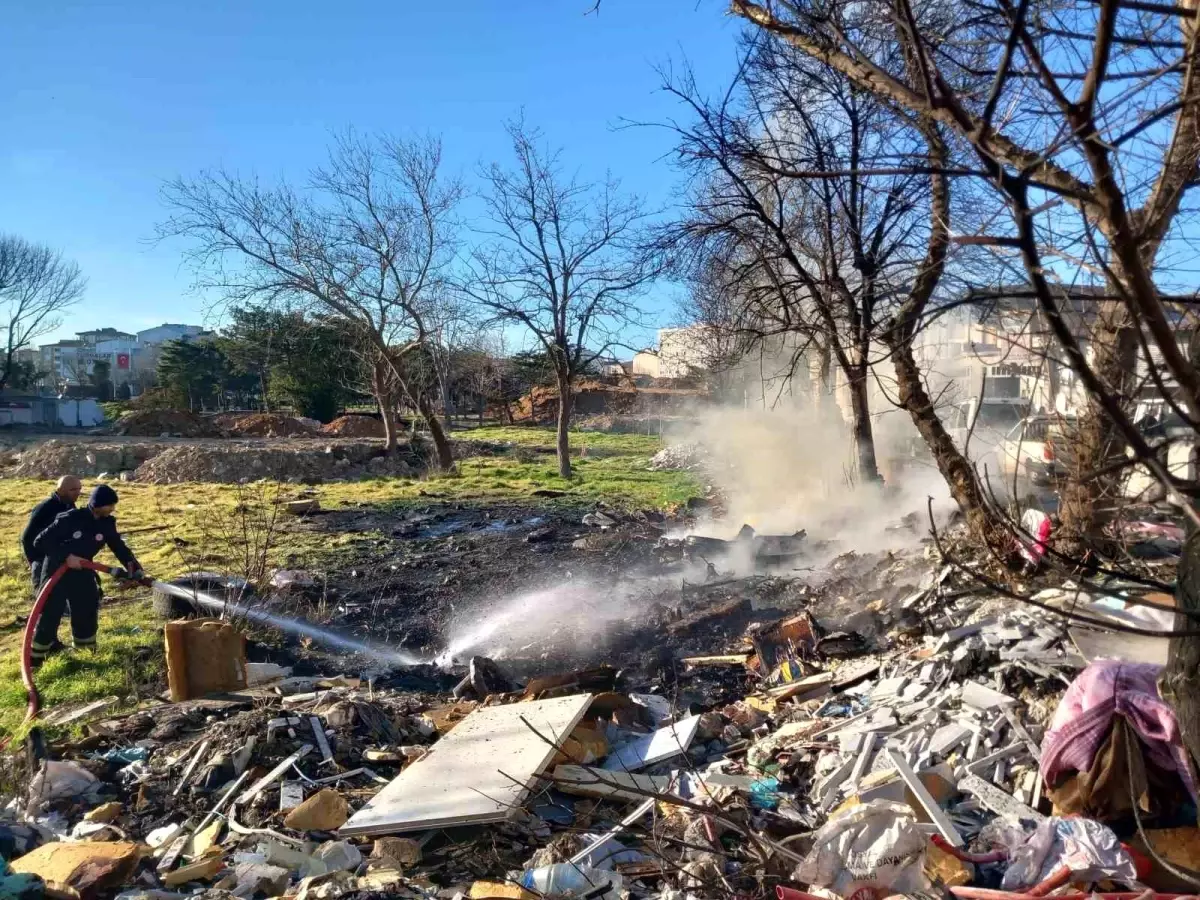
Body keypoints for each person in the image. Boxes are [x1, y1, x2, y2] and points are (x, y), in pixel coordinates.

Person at [30, 484, 144, 667]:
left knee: (87, 608)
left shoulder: (107, 523)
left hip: (82, 571)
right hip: (55, 572)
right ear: (97, 504)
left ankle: (86, 652)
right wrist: (66, 556)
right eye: (109, 505)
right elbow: (40, 541)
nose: (112, 509)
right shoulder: (70, 518)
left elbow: (119, 547)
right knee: (50, 613)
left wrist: (135, 569)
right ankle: (35, 659)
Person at [20, 476, 82, 591]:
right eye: (73, 489)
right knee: (45, 599)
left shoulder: (70, 505)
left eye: (79, 489)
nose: (78, 493)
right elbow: (27, 537)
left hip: (62, 559)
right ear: (60, 490)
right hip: (42, 560)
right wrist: (34, 561)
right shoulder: (44, 508)